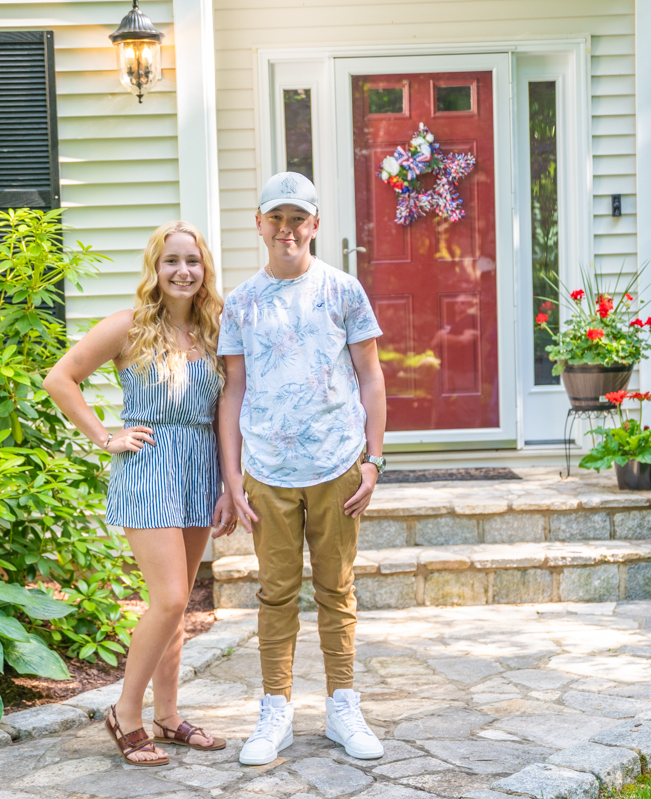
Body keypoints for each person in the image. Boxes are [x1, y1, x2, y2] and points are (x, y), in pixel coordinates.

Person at [45, 221, 236, 767]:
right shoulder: (128, 327)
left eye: (193, 262)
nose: (183, 271)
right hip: (148, 469)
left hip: (200, 472)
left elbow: (227, 409)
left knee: (179, 607)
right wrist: (106, 437)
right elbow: (61, 379)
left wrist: (229, 481)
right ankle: (125, 714)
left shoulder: (215, 330)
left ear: (205, 270)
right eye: (172, 260)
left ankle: (168, 716)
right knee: (170, 598)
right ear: (155, 268)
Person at [217, 172, 389, 765]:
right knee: (275, 594)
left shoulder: (343, 291)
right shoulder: (239, 303)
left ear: (315, 225)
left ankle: (343, 705)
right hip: (268, 471)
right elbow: (233, 391)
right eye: (276, 218)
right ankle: (276, 711)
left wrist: (373, 460)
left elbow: (371, 376)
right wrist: (232, 477)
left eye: (298, 218)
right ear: (259, 224)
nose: (286, 229)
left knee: (337, 589)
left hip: (338, 464)